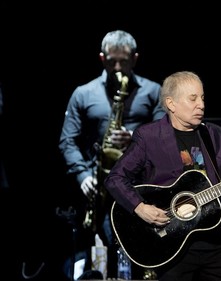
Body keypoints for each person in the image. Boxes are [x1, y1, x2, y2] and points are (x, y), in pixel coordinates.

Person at [104, 71, 221, 281]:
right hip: (171, 244)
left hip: (217, 243)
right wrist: (140, 207)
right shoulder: (149, 137)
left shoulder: (215, 134)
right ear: (171, 104)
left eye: (202, 98)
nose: (201, 104)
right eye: (193, 99)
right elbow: (115, 178)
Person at [58, 30, 165, 279]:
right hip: (100, 188)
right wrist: (83, 175)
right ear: (101, 58)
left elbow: (166, 137)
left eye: (124, 62)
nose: (117, 68)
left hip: (143, 185)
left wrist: (135, 138)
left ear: (135, 59)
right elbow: (67, 141)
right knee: (101, 254)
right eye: (111, 61)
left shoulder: (153, 92)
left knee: (145, 254)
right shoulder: (83, 94)